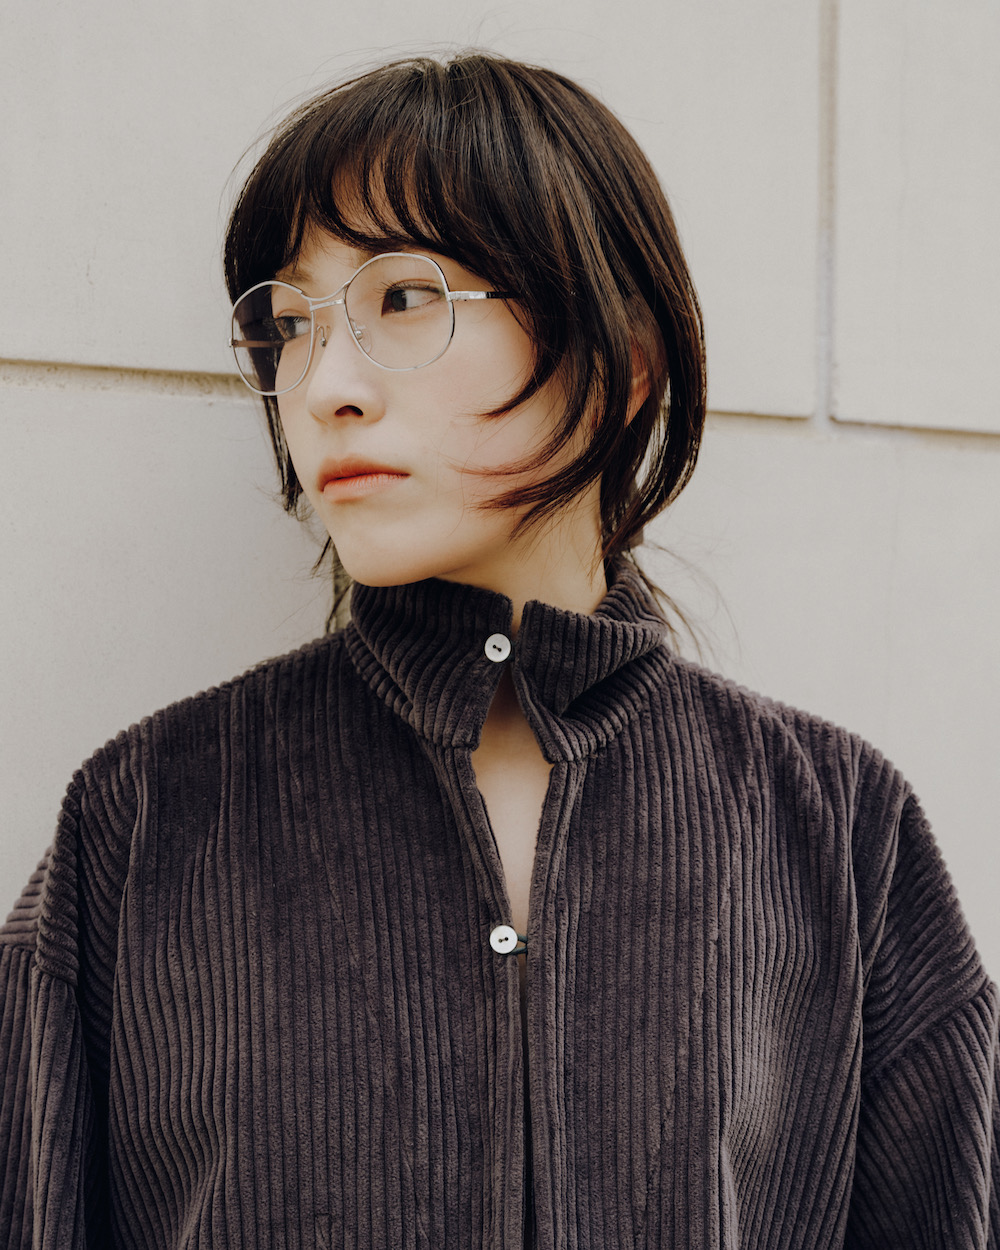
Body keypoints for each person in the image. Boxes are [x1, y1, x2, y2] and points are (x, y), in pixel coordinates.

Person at [1, 50, 997, 1250]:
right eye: (292, 323)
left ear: (623, 358)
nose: (324, 387)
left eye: (403, 298)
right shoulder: (144, 816)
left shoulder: (840, 831)